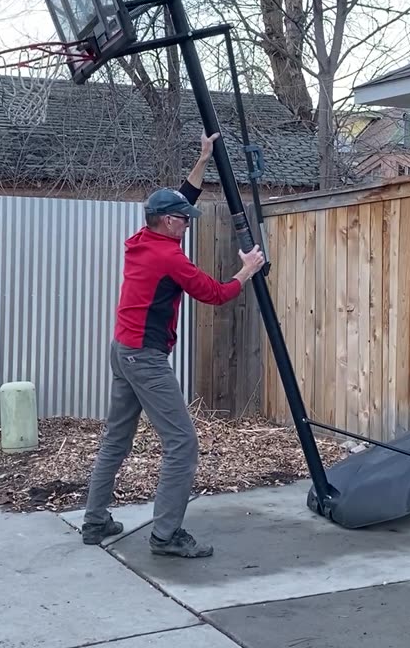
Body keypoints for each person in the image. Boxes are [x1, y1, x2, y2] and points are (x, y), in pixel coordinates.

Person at [81, 132, 266, 558]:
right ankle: (165, 536)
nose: (188, 223)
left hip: (122, 349)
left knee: (116, 439)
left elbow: (180, 195)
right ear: (168, 222)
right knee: (182, 443)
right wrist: (247, 270)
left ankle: (94, 521)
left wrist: (203, 158)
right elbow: (216, 294)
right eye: (183, 220)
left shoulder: (142, 240)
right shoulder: (169, 257)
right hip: (144, 357)